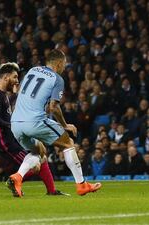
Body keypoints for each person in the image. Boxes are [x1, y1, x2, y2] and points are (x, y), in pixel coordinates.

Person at [9, 49, 101, 197]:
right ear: (58, 63)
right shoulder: (57, 79)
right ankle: (82, 185)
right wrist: (65, 125)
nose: (64, 67)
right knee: (68, 143)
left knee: (38, 152)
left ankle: (18, 177)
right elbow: (54, 107)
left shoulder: (33, 70)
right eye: (64, 64)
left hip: (15, 122)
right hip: (34, 121)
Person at [0, 62, 66, 196]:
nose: (17, 81)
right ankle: (14, 180)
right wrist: (12, 124)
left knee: (41, 157)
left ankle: (51, 190)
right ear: (6, 77)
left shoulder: (3, 94)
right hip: (5, 141)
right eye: (15, 77)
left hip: (12, 138)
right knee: (36, 163)